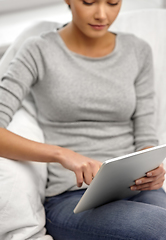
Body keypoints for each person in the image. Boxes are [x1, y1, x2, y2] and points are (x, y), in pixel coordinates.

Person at [0, 0, 166, 239]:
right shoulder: (38, 50)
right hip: (71, 198)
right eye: (89, 2)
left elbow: (145, 132)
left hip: (133, 187)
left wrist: (153, 170)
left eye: (112, 3)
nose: (101, 14)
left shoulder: (137, 50)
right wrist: (60, 154)